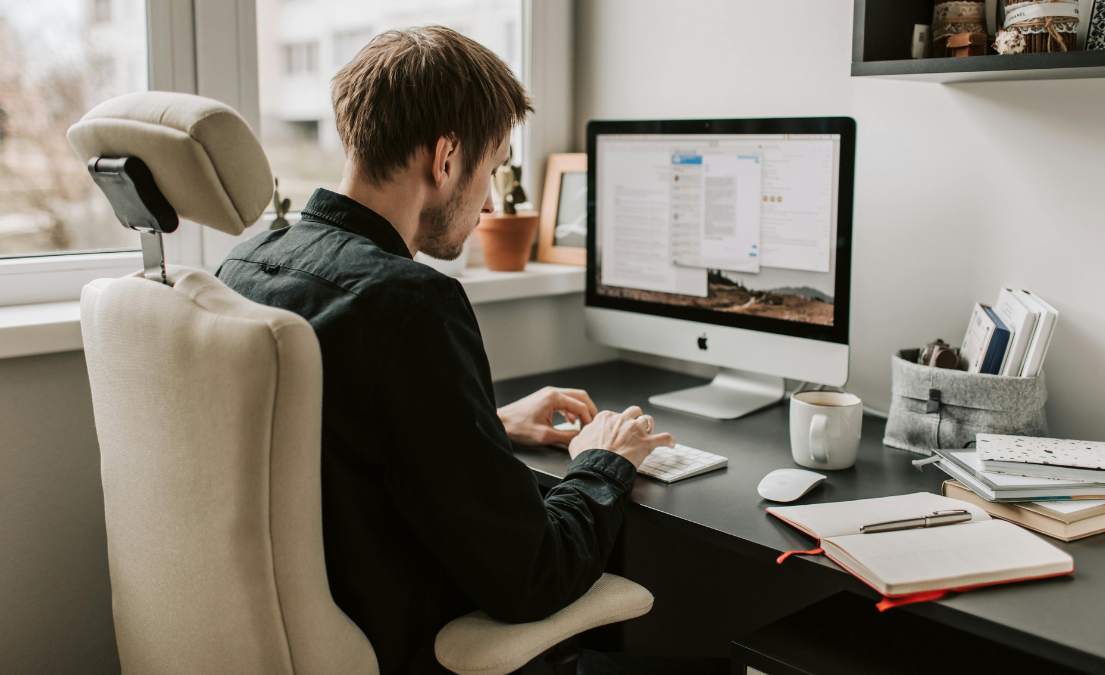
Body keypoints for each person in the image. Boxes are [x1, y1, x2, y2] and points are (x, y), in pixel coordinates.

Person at [217, 26, 726, 675]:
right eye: (492, 168)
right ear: (447, 156)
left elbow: (329, 437)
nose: (490, 199)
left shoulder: (250, 262)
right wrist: (602, 463)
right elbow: (534, 576)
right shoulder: (409, 304)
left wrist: (492, 421)